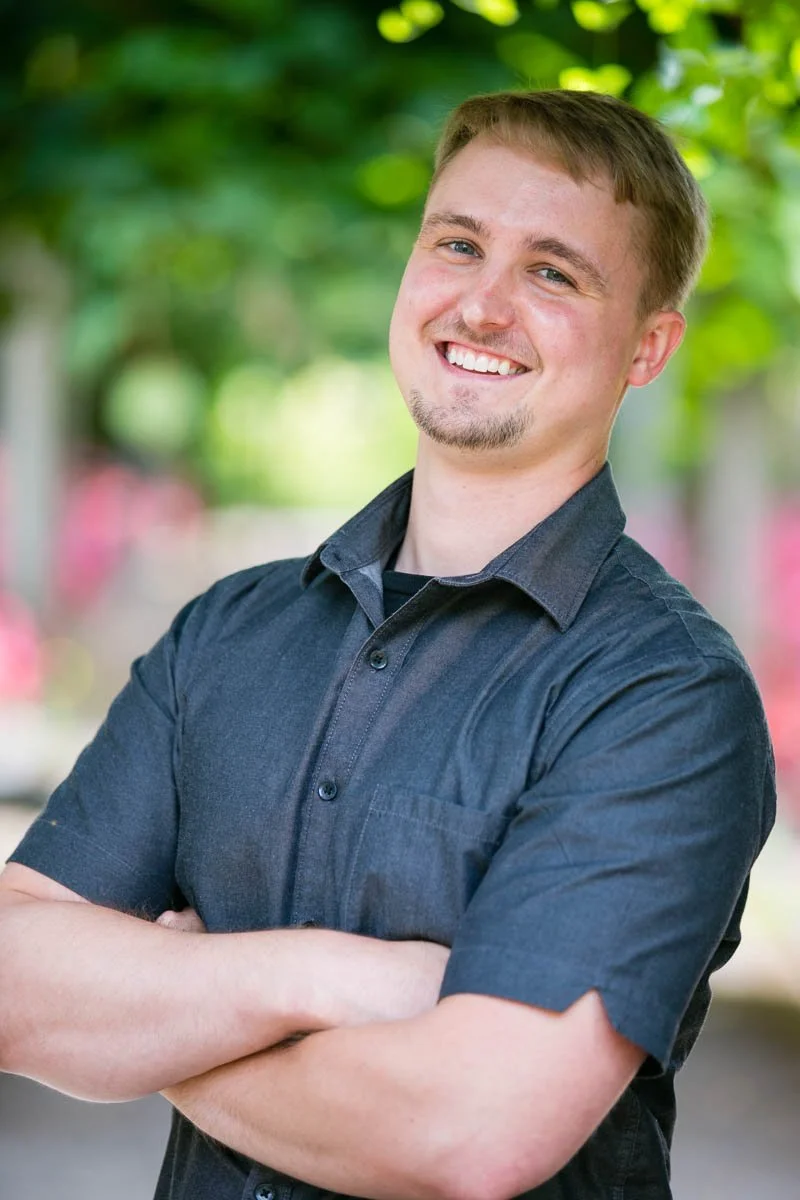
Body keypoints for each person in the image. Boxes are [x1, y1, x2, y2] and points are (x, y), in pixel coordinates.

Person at [0, 89, 775, 1200]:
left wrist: (160, 1011)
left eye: (552, 273)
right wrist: (332, 978)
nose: (483, 304)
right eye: (457, 243)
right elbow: (15, 986)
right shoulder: (229, 630)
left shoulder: (661, 693)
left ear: (647, 347)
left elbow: (469, 1130)